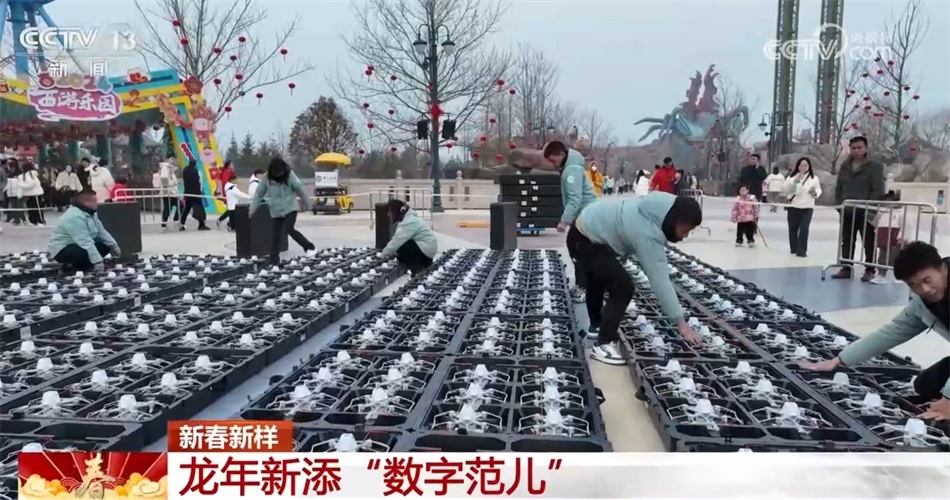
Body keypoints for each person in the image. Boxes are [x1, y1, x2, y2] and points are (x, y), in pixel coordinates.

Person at [803, 242, 949, 419]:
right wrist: (840, 359)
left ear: (942, 268)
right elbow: (893, 331)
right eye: (914, 285)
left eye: (927, 280)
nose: (924, 289)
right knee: (925, 386)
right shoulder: (923, 304)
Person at [568, 192, 704, 364]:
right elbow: (660, 279)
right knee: (622, 287)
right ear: (677, 221)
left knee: (599, 277)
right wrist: (681, 323)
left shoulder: (659, 208)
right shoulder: (647, 232)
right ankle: (604, 343)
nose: (685, 236)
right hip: (583, 239)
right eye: (686, 230)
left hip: (587, 231)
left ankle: (596, 326)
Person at [543, 141, 597, 303]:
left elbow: (575, 199)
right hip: (586, 215)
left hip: (585, 216)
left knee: (578, 250)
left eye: (554, 160)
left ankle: (584, 288)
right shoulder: (572, 167)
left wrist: (564, 221)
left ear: (561, 154)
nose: (553, 164)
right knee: (579, 249)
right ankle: (586, 286)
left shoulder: (572, 170)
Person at [832, 136, 886, 282]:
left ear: (865, 149)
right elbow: (839, 187)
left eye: (859, 148)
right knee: (847, 240)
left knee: (868, 242)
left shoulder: (875, 167)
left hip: (865, 211)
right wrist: (839, 204)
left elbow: (878, 190)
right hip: (847, 210)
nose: (856, 150)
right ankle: (846, 267)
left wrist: (870, 208)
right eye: (853, 148)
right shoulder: (845, 166)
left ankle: (869, 269)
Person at [250, 157, 315, 265]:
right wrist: (252, 209)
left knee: (288, 228)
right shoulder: (266, 178)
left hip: (290, 207)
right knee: (275, 236)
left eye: (280, 172)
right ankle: (274, 260)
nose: (278, 174)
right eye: (276, 172)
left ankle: (309, 247)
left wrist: (308, 204)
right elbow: (258, 194)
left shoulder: (290, 175)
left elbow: (300, 189)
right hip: (275, 210)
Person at [47, 190, 121, 273]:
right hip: (63, 249)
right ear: (86, 203)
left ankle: (82, 265)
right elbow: (85, 241)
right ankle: (70, 267)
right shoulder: (74, 217)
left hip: (77, 244)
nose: (97, 203)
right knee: (86, 252)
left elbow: (101, 231)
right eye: (94, 201)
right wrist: (98, 261)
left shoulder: (91, 213)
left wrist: (114, 246)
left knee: (104, 246)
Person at [379, 199, 438, 274]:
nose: (388, 215)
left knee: (402, 246)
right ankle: (421, 265)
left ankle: (417, 269)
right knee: (401, 247)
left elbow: (397, 241)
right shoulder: (409, 218)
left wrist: (384, 254)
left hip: (426, 249)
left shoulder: (408, 221)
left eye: (389, 212)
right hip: (428, 248)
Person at [783, 157, 821, 257]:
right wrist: (795, 182)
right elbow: (786, 189)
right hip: (793, 205)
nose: (803, 167)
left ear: (809, 166)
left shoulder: (814, 178)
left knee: (804, 228)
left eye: (805, 165)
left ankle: (802, 250)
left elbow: (818, 190)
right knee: (793, 228)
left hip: (807, 206)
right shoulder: (792, 177)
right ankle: (794, 248)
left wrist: (815, 193)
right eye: (801, 165)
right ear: (798, 166)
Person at [869, 191, 908, 285]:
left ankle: (899, 276)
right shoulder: (881, 213)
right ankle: (881, 275)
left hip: (894, 240)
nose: (886, 205)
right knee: (882, 258)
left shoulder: (900, 213)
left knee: (895, 258)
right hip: (883, 239)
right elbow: (875, 224)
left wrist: (901, 237)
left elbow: (905, 226)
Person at [179, 160, 210, 231]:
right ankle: (201, 224)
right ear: (195, 165)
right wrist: (199, 192)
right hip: (195, 193)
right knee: (199, 208)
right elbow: (197, 182)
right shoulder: (195, 171)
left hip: (188, 193)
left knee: (187, 209)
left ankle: (182, 223)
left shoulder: (185, 170)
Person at [156, 160, 180, 229]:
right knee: (177, 206)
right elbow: (164, 180)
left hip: (169, 192)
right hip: (170, 193)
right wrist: (173, 183)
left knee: (168, 207)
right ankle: (174, 220)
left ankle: (164, 222)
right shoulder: (166, 169)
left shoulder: (168, 169)